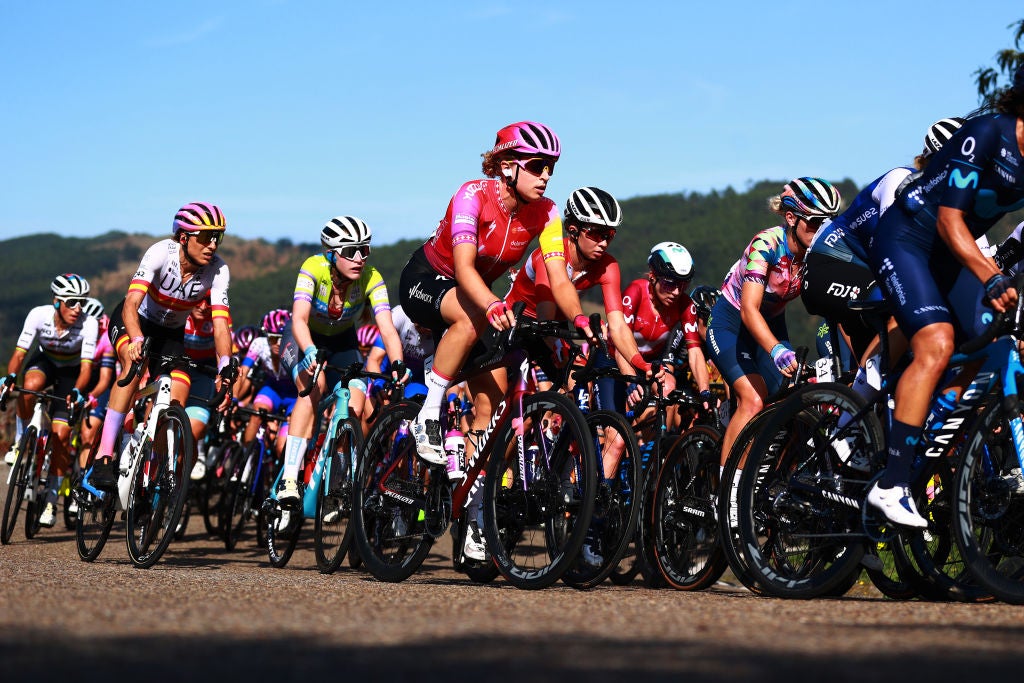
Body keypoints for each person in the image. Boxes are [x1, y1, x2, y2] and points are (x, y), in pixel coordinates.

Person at [866, 66, 1024, 528]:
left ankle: (926, 437)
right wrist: (993, 278)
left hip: (952, 254)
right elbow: (951, 221)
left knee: (992, 344)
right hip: (908, 238)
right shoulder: (987, 132)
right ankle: (891, 484)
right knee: (937, 344)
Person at [399, 121, 594, 472]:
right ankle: (427, 415)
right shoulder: (472, 196)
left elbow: (559, 279)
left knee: (491, 405)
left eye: (550, 168)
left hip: (473, 297)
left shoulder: (547, 213)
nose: (546, 176)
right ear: (507, 166)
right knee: (472, 315)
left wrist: (579, 319)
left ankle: (470, 510)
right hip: (427, 280)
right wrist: (491, 303)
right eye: (536, 166)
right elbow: (463, 269)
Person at [88, 202, 234, 490]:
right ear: (184, 237)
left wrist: (226, 365)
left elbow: (220, 325)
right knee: (133, 365)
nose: (213, 245)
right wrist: (137, 340)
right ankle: (103, 457)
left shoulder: (218, 271)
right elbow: (131, 303)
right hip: (135, 321)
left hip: (171, 334)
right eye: (206, 237)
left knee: (178, 393)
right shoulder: (159, 253)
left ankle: (150, 474)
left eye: (218, 237)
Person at [802, 117, 965, 362]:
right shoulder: (901, 180)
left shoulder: (952, 202)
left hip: (870, 272)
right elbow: (895, 243)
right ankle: (862, 392)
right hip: (828, 265)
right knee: (902, 309)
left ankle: (866, 397)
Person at [707, 178, 842, 470]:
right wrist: (777, 350)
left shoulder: (818, 252)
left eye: (829, 223)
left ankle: (769, 484)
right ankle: (726, 492)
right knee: (754, 400)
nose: (823, 230)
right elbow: (749, 311)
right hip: (732, 322)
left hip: (771, 324)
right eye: (816, 221)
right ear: (791, 218)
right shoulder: (766, 244)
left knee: (793, 403)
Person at [276, 216, 408, 506]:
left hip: (342, 342)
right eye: (351, 251)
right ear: (333, 253)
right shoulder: (313, 267)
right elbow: (298, 318)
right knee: (314, 385)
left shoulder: (372, 277)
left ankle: (336, 479)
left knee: (356, 406)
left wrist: (398, 364)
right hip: (303, 337)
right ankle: (288, 478)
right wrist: (309, 349)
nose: (360, 258)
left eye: (365, 249)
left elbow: (387, 327)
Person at [3, 274, 98, 527]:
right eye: (72, 302)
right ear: (57, 302)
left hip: (71, 373)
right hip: (44, 361)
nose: (78, 308)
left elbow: (87, 369)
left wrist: (78, 390)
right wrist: (11, 376)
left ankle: (50, 499)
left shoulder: (89, 323)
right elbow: (19, 353)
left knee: (62, 434)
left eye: (82, 302)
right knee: (29, 386)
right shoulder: (38, 315)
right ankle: (21, 439)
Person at [618, 242, 713, 431]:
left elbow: (695, 352)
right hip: (617, 358)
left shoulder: (685, 304)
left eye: (683, 284)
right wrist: (630, 380)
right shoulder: (636, 291)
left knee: (668, 389)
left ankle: (656, 456)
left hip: (650, 364)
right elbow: (620, 341)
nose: (677, 292)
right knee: (617, 435)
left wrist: (705, 392)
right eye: (670, 283)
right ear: (653, 276)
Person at [236, 308, 295, 458]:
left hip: (294, 395)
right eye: (273, 338)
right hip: (273, 389)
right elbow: (242, 372)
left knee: (281, 449)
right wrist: (233, 398)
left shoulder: (296, 348)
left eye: (283, 338)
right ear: (266, 336)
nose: (278, 343)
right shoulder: (259, 344)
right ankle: (246, 460)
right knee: (256, 414)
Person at [73, 298, 116, 487]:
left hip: (102, 384)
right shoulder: (77, 331)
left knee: (88, 433)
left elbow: (105, 379)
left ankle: (84, 480)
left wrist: (92, 396)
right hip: (82, 377)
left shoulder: (106, 338)